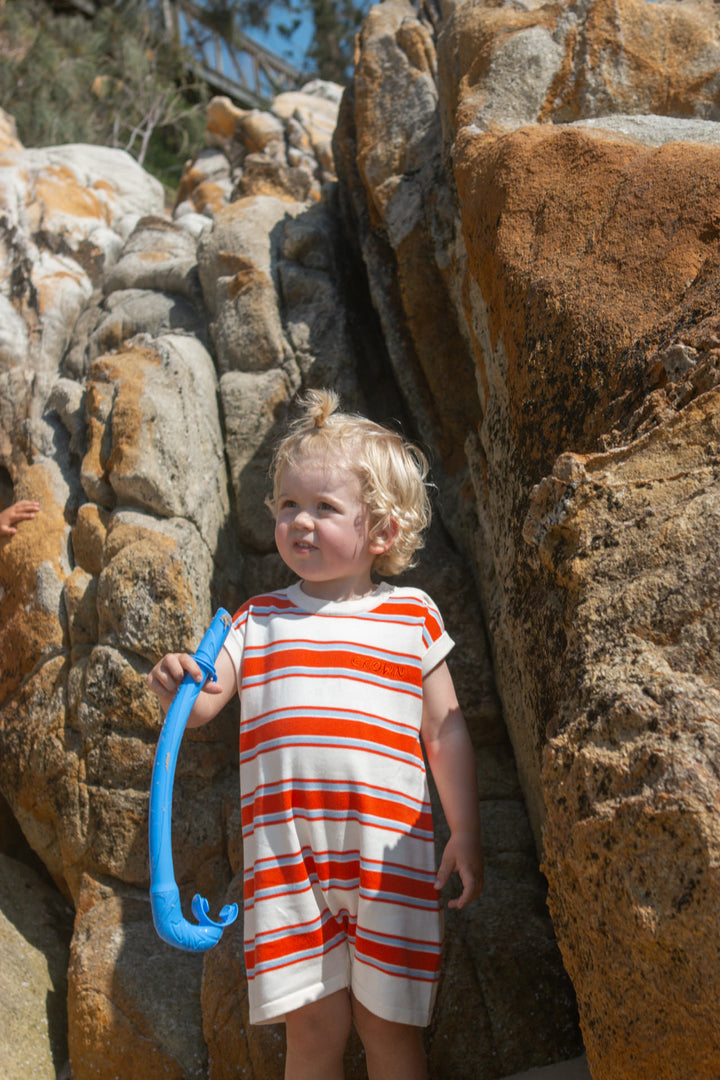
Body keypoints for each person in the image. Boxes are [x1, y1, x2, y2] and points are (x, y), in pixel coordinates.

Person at [147, 389, 483, 1080]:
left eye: (324, 508)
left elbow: (444, 731)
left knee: (390, 1029)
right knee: (313, 1031)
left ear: (382, 531)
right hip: (285, 860)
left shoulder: (410, 615)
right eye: (288, 505)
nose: (300, 521)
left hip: (389, 854)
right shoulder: (256, 619)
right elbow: (205, 704)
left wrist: (466, 830)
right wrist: (179, 682)